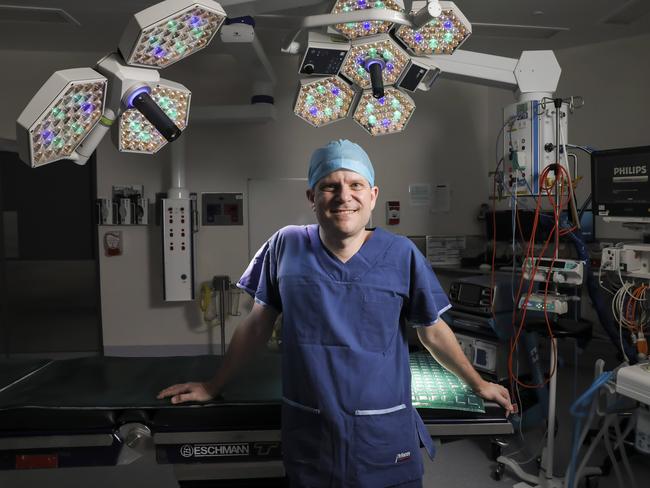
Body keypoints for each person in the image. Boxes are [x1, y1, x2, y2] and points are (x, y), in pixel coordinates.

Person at [158, 139, 514, 487]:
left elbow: (432, 330)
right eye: (330, 186)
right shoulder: (286, 244)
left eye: (356, 184)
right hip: (312, 429)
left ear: (372, 195)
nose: (345, 196)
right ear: (312, 197)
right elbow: (256, 325)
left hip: (383, 432)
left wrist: (479, 384)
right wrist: (212, 384)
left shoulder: (401, 254)